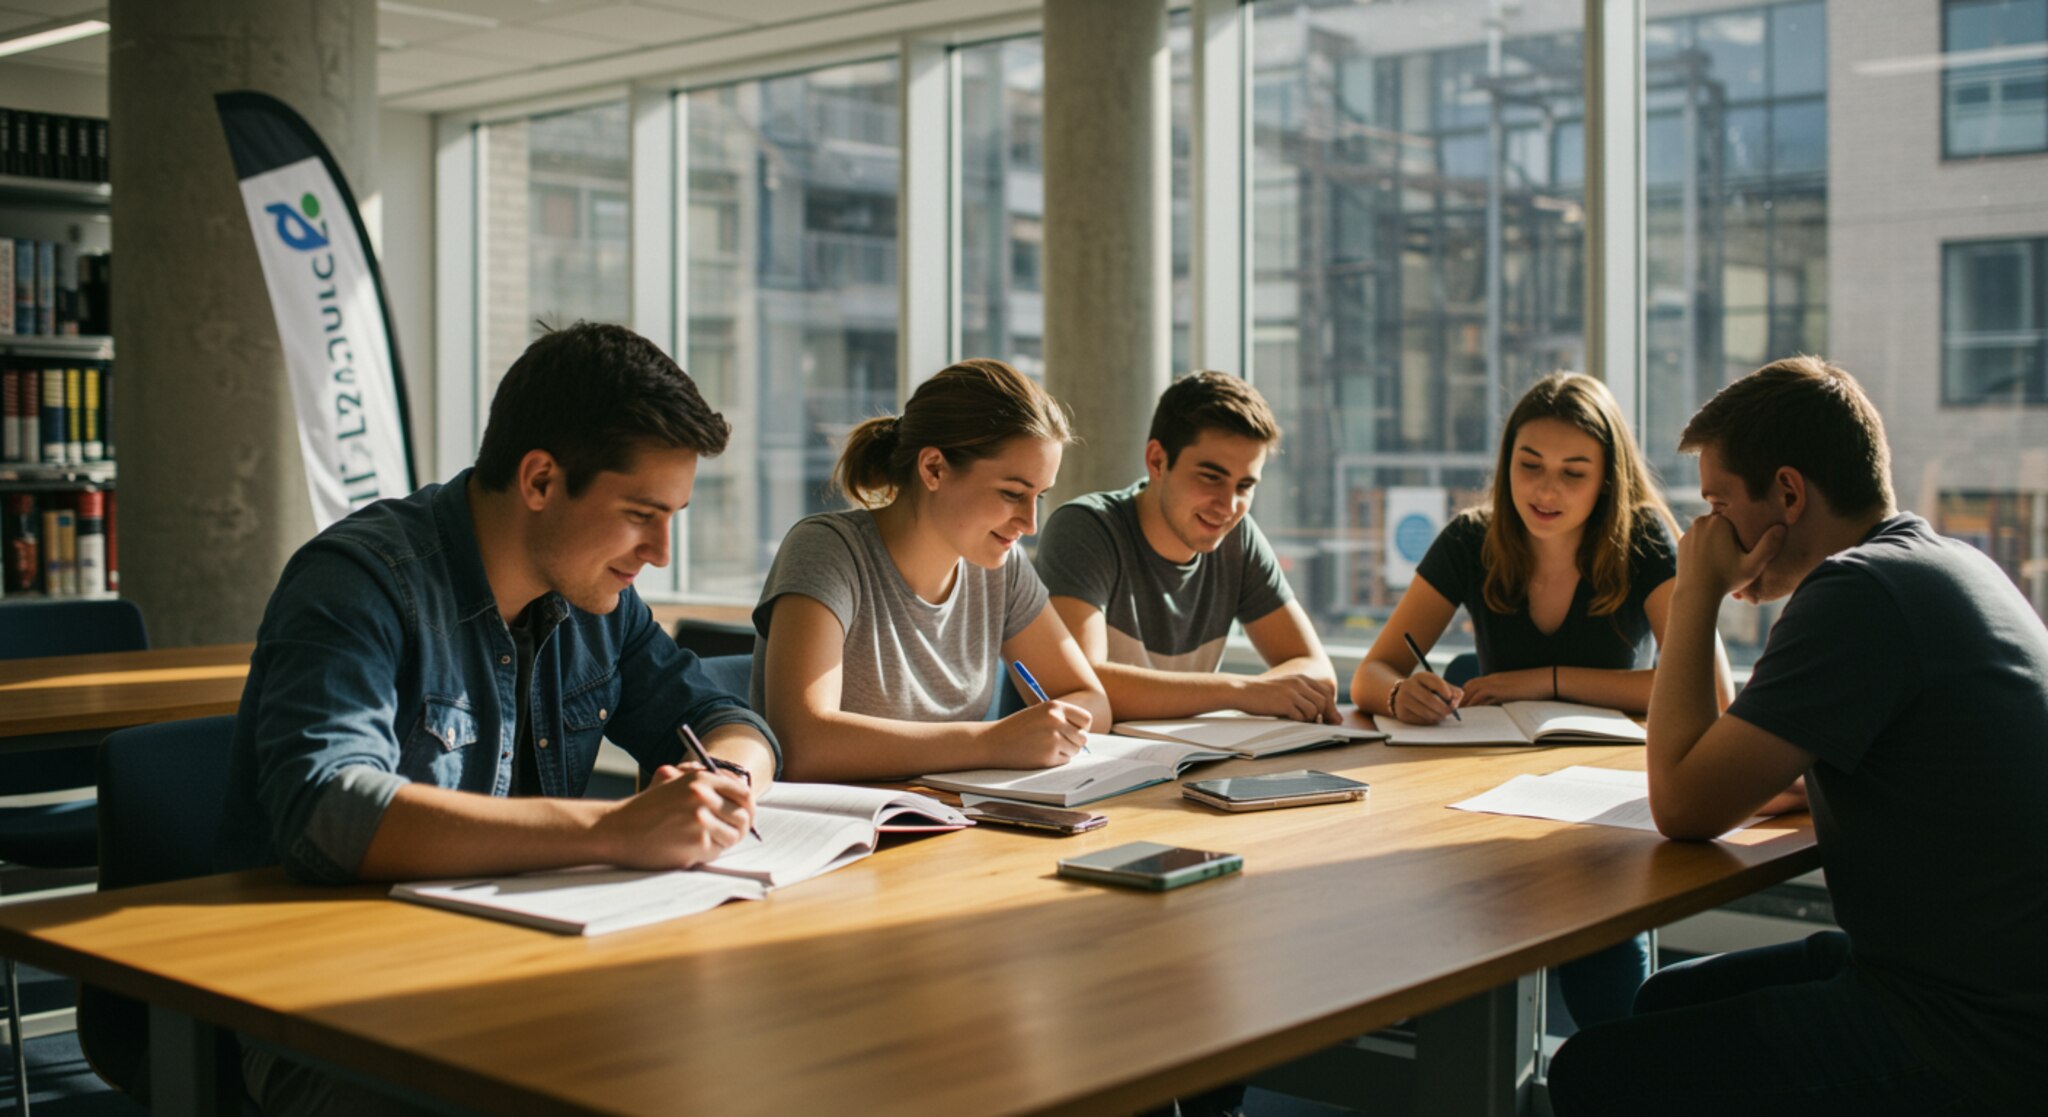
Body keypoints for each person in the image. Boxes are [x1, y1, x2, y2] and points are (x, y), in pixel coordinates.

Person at [217, 323, 778, 1113]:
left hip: (526, 974)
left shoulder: (597, 599)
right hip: (337, 1011)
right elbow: (329, 809)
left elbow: (722, 713)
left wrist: (729, 781)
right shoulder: (356, 583)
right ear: (542, 480)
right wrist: (615, 828)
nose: (659, 549)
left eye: (673, 516)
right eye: (640, 513)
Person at [1547, 356, 2048, 1116]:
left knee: (1593, 1070)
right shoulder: (1941, 563)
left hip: (1969, 1031)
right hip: (1987, 983)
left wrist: (1699, 590)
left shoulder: (1857, 595)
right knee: (1662, 1001)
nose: (1706, 530)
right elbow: (1784, 769)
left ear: (1787, 492)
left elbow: (1682, 804)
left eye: (1718, 504)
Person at [1350, 371, 1730, 1030]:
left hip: (1603, 802)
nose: (1545, 490)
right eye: (1529, 465)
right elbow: (1371, 671)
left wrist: (1547, 677)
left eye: (1573, 472)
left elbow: (1712, 694)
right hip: (1487, 790)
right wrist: (1398, 689)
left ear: (1607, 478)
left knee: (1606, 987)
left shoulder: (1641, 539)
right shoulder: (1472, 538)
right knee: (1448, 938)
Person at [752, 358, 1110, 782]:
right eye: (1012, 493)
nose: (1030, 524)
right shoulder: (828, 550)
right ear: (933, 468)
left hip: (957, 822)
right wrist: (991, 743)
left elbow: (1092, 700)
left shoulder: (1002, 566)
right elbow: (801, 742)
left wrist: (1055, 726)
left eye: (1040, 497)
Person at [1034, 371, 1341, 725]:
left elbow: (1318, 671)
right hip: (1084, 768)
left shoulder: (1238, 539)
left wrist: (1249, 692)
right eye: (1211, 477)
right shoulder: (1086, 529)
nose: (1228, 507)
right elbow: (1081, 685)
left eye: (1244, 486)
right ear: (1157, 461)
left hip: (1187, 762)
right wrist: (1240, 692)